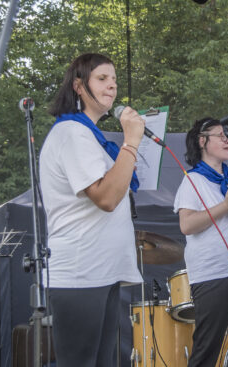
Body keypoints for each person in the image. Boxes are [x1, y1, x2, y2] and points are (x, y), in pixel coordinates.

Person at [39, 53, 145, 367]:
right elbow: (107, 197)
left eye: (114, 80)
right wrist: (132, 142)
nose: (112, 86)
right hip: (80, 272)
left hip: (103, 270)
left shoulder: (92, 138)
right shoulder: (72, 133)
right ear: (79, 86)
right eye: (102, 79)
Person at [173, 117, 228, 367]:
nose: (227, 140)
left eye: (227, 135)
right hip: (213, 273)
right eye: (220, 135)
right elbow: (187, 225)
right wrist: (226, 206)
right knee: (207, 349)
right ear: (203, 141)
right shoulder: (192, 180)